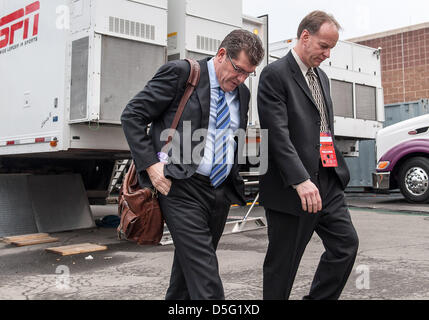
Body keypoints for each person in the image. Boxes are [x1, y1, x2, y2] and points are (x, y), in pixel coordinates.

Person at [121, 29, 264, 300]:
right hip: (181, 188)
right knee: (206, 276)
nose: (242, 78)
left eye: (248, 73)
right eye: (238, 70)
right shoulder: (182, 74)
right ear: (221, 54)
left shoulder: (242, 94)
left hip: (219, 193)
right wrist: (151, 166)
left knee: (188, 276)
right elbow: (132, 115)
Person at [257, 11, 359, 300]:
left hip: (327, 181)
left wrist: (333, 170)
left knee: (345, 247)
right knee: (282, 267)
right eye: (324, 46)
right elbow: (277, 134)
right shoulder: (275, 75)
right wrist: (300, 179)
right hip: (293, 189)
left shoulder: (322, 78)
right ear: (305, 37)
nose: (328, 54)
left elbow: (323, 129)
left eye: (331, 48)